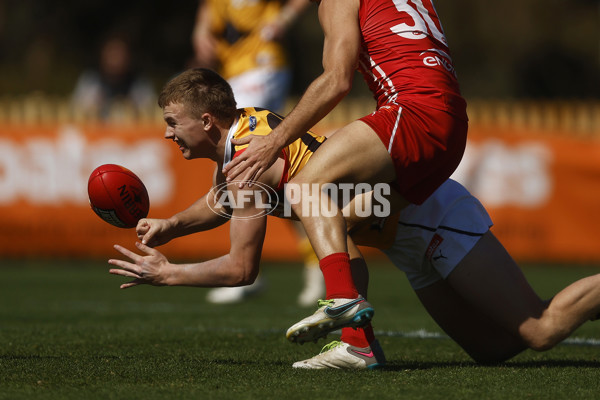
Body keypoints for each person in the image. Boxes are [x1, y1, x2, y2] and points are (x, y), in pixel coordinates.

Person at [108, 69, 600, 370]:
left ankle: (357, 344)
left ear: (207, 122)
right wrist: (171, 224)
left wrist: (165, 273)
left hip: (429, 215)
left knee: (539, 330)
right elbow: (225, 200)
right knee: (492, 352)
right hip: (403, 237)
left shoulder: (244, 166)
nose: (168, 134)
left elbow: (241, 268)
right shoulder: (249, 133)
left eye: (174, 122)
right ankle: (358, 341)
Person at [221, 0, 469, 342]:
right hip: (452, 127)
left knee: (304, 187)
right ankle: (358, 344)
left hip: (413, 113)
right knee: (528, 334)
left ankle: (342, 298)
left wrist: (274, 140)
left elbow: (337, 80)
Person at [191, 0, 319, 305]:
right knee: (276, 181)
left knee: (236, 157)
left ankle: (244, 268)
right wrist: (201, 31)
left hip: (264, 65)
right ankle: (312, 263)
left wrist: (285, 18)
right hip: (233, 70)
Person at [71, 35, 156, 120]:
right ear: (103, 55)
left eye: (120, 54)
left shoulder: (140, 84)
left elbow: (151, 111)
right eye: (112, 53)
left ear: (128, 57)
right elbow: (76, 110)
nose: (115, 59)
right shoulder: (90, 81)